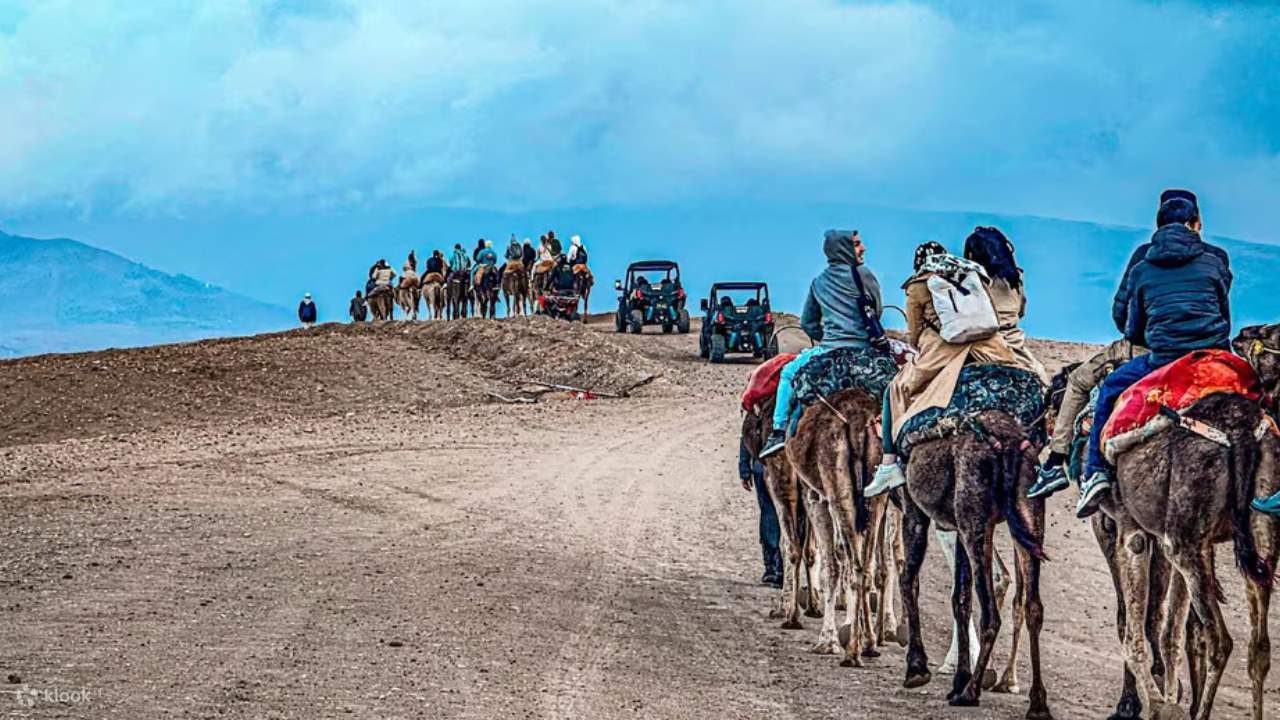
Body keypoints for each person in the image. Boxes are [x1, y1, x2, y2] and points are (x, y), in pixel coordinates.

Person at [1076, 195, 1231, 518]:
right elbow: (1223, 314)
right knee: (1264, 390)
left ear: (1158, 224)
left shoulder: (1142, 266)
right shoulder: (1216, 260)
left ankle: (1094, 473)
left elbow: (1132, 329)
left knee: (1108, 390)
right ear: (1195, 224)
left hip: (1164, 362)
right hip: (1214, 360)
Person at [865, 240, 1032, 496]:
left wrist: (916, 347)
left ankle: (888, 463)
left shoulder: (917, 286)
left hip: (941, 351)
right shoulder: (972, 274)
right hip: (990, 347)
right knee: (1031, 382)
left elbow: (915, 332)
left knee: (894, 391)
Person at [760, 229, 883, 458]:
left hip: (829, 349)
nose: (863, 248)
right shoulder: (864, 275)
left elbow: (808, 322)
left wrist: (827, 336)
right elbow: (876, 311)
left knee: (788, 374)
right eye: (857, 244)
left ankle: (778, 431)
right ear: (844, 248)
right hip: (865, 350)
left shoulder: (819, 282)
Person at [963, 227, 1048, 385]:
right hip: (1015, 344)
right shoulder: (1015, 279)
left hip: (982, 346)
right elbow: (1021, 311)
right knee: (1042, 379)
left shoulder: (971, 281)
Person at [740, 438, 782, 587]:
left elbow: (748, 431)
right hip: (766, 466)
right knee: (772, 514)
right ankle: (777, 565)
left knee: (769, 513)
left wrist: (744, 469)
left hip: (762, 464)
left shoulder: (759, 415)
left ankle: (772, 566)